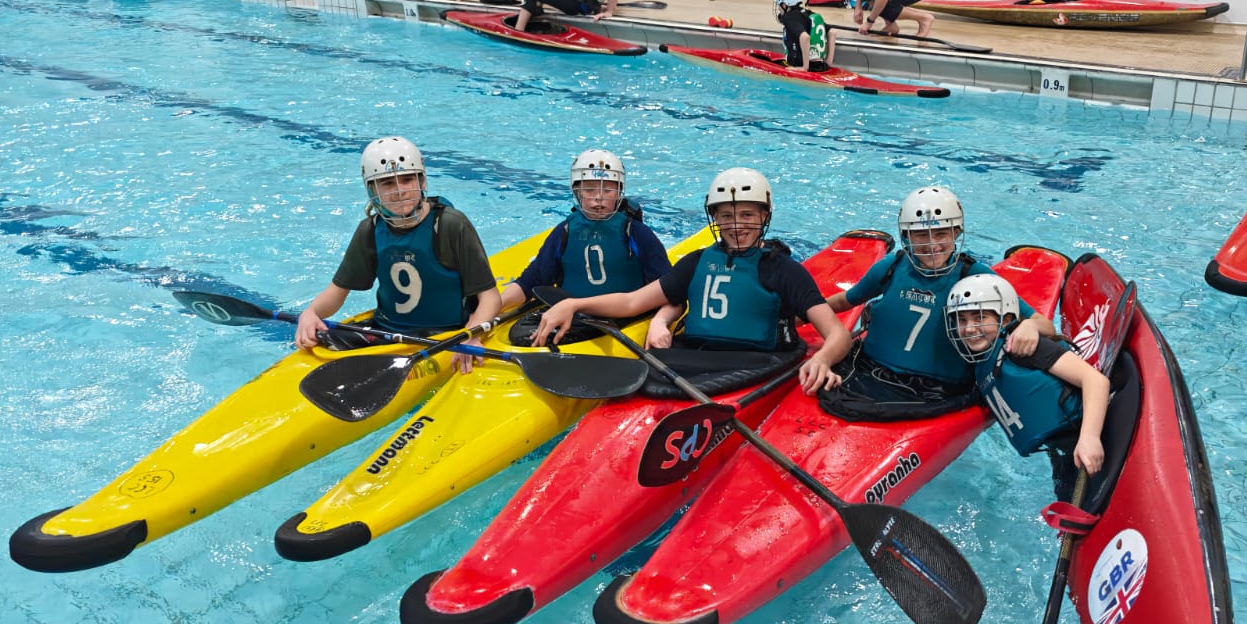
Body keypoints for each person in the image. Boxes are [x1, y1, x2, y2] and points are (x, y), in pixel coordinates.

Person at [533, 168, 851, 394]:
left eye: (747, 215)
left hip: (757, 365)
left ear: (764, 217)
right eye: (726, 216)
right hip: (690, 359)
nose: (736, 225)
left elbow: (837, 335)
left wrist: (822, 359)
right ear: (715, 219)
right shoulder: (696, 262)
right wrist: (574, 304)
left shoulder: (783, 270)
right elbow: (632, 302)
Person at [821, 187, 1055, 413]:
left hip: (938, 391)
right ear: (907, 236)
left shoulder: (976, 276)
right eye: (921, 235)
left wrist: (1029, 325)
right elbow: (846, 301)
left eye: (941, 233)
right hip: (868, 371)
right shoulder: (891, 267)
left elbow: (1045, 325)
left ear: (956, 233)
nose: (932, 245)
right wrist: (806, 313)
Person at [295, 137, 501, 373]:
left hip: (445, 333)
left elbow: (490, 298)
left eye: (406, 179)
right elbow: (337, 292)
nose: (400, 191)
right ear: (372, 190)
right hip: (386, 331)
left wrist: (472, 335)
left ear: (422, 181)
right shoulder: (370, 230)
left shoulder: (450, 224)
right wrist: (311, 313)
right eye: (387, 183)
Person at [945, 274, 1111, 478]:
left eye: (980, 318)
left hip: (1090, 438)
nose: (969, 328)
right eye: (961, 320)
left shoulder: (1024, 347)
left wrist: (1090, 437)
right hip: (1061, 450)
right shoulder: (982, 366)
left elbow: (1095, 381)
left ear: (1006, 320)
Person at [498, 149, 672, 313]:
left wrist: (660, 322)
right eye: (589, 189)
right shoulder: (564, 232)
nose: (599, 197)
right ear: (577, 192)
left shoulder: (637, 233)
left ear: (619, 193)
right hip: (573, 317)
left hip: (626, 319)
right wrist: (496, 306)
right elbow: (529, 282)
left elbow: (668, 289)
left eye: (608, 190)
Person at [774, 0, 838, 72]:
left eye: (779, 5)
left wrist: (804, 68)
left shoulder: (789, 17)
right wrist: (828, 63)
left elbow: (805, 37)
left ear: (784, 5)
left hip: (804, 66)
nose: (778, 8)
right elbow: (832, 32)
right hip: (821, 66)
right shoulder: (808, 14)